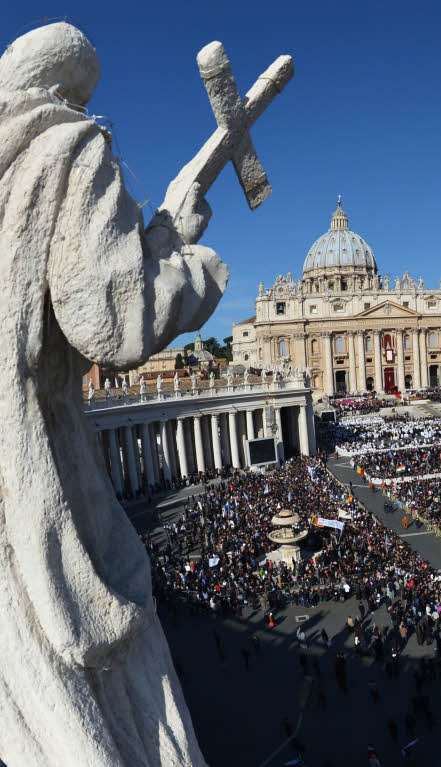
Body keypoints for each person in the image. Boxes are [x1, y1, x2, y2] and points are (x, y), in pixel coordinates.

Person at [0, 21, 227, 766]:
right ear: (74, 87)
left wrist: (160, 230)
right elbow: (108, 316)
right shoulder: (65, 144)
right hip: (45, 488)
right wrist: (197, 265)